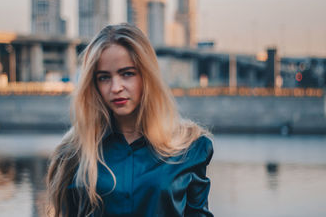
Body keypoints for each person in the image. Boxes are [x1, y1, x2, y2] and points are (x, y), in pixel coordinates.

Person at [47, 23, 213, 217]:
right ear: (94, 84)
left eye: (127, 74)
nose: (116, 87)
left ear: (147, 75)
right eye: (104, 77)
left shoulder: (191, 148)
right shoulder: (73, 153)